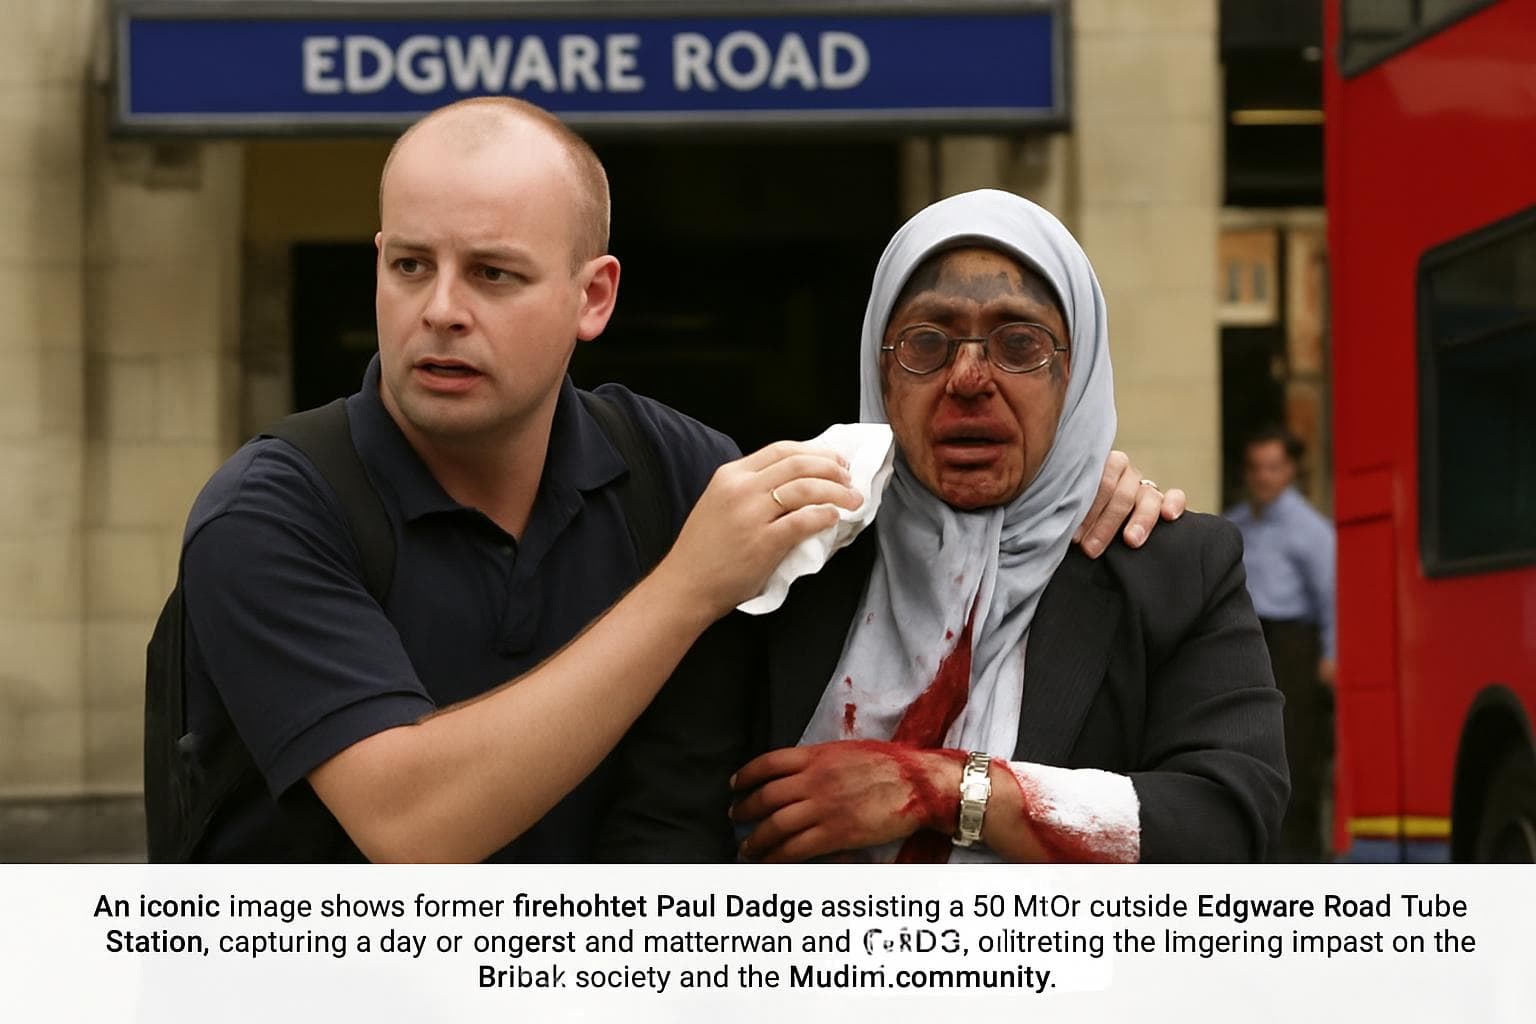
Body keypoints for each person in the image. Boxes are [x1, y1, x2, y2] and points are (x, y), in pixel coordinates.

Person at [171, 99, 1177, 862]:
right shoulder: (271, 509)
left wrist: (1078, 477)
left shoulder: (670, 467)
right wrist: (685, 587)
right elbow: (412, 827)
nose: (440, 310)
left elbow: (904, 502)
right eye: (410, 267)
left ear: (592, 296)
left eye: (493, 273)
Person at [708, 189, 1288, 864]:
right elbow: (668, 821)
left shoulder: (1169, 567)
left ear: (1076, 374)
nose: (969, 377)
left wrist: (944, 789)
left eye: (1020, 343)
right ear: (880, 368)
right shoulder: (794, 556)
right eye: (928, 342)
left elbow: (1230, 828)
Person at [1225, 425, 1336, 861]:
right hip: (1246, 644)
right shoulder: (1235, 522)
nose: (1264, 477)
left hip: (1292, 647)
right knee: (1246, 746)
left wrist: (1332, 655)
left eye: (1273, 467)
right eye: (1256, 468)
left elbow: (1331, 595)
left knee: (1294, 752)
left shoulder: (1310, 530)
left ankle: (1299, 859)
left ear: (1289, 470)